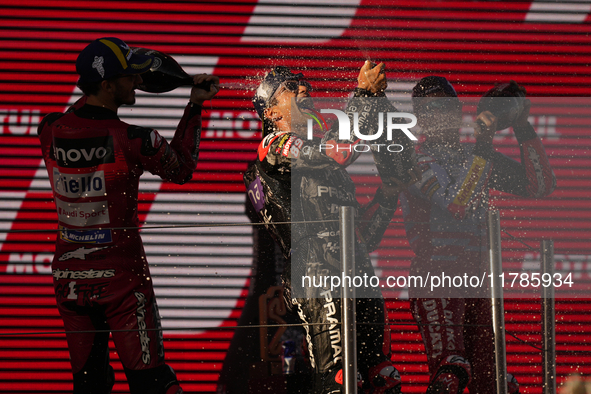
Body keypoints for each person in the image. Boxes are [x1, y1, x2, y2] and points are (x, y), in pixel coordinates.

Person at [37, 37, 219, 394]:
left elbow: (83, 114)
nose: (137, 82)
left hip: (70, 281)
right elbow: (183, 169)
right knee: (153, 383)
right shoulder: (137, 139)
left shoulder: (50, 129)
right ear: (107, 85)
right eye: (128, 77)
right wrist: (194, 105)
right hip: (122, 283)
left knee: (90, 385)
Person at [244, 63, 419, 394]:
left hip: (359, 270)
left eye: (303, 83)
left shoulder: (326, 166)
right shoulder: (273, 145)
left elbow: (365, 236)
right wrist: (363, 96)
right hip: (317, 272)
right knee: (340, 380)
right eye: (289, 87)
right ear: (270, 112)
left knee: (383, 377)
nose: (302, 88)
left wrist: (389, 192)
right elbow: (340, 150)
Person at [400, 76, 556, 394]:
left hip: (477, 279)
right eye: (431, 109)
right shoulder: (413, 160)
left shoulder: (476, 157)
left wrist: (521, 126)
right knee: (452, 373)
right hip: (436, 277)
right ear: (420, 120)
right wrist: (484, 145)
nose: (442, 115)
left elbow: (541, 186)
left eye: (448, 107)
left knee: (495, 381)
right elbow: (459, 204)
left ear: (460, 112)